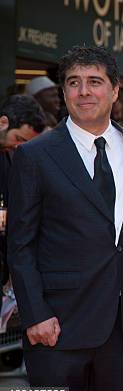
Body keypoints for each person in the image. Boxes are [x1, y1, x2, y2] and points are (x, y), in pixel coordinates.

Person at [8, 45, 123, 391]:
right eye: (74, 82)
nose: (84, 91)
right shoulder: (34, 155)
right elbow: (19, 244)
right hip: (56, 331)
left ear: (116, 90)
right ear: (64, 91)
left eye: (94, 81)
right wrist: (35, 315)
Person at [0, 94, 46, 286]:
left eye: (24, 143)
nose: (18, 147)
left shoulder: (10, 158)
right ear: (3, 123)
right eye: (18, 138)